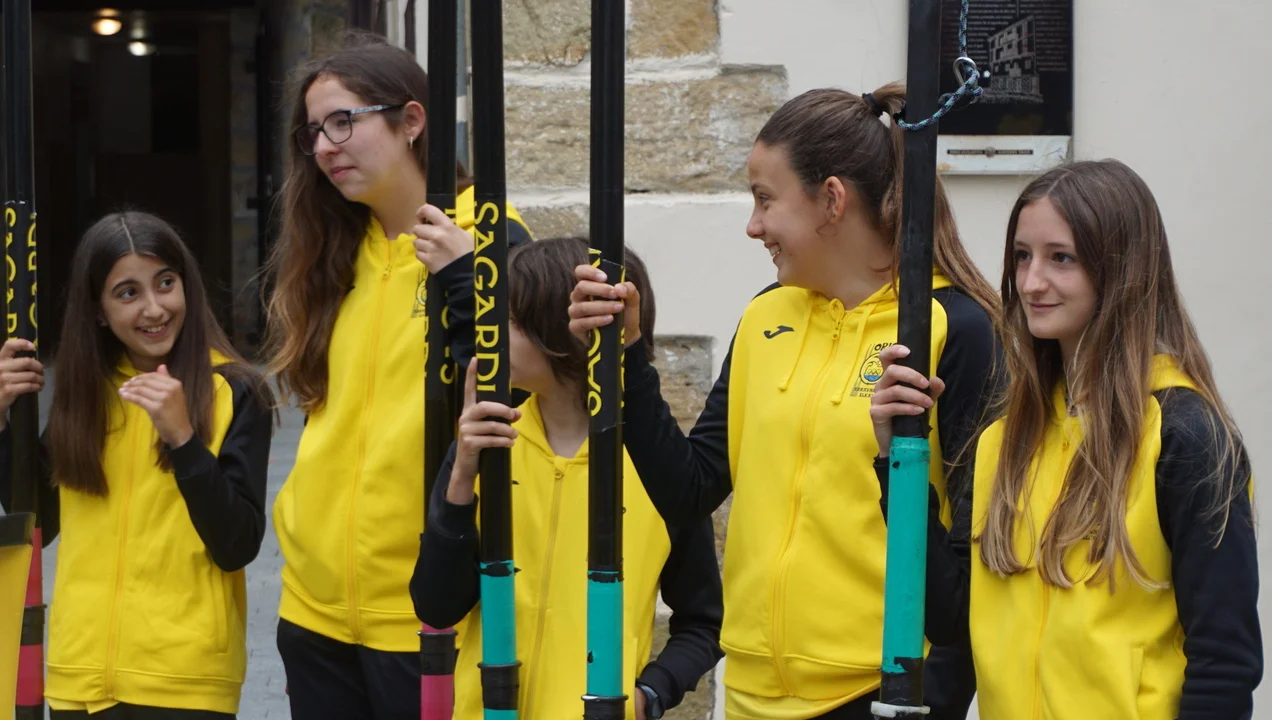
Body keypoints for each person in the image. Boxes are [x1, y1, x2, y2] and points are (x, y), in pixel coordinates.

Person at [566, 86, 998, 719]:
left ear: (832, 200)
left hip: (879, 692)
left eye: (765, 199)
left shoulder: (952, 328)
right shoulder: (766, 315)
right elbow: (688, 490)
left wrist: (930, 698)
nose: (753, 226)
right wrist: (627, 354)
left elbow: (975, 563)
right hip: (750, 695)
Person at [870, 159, 1262, 718]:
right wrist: (898, 462)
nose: (1031, 282)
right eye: (1022, 256)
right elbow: (954, 621)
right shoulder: (1003, 437)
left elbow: (1224, 663)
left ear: (1121, 270)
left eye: (1061, 258)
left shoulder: (1187, 436)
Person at [263, 32, 533, 719]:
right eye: (313, 131)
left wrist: (465, 276)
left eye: (343, 121)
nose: (325, 146)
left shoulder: (490, 236)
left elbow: (519, 388)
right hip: (315, 608)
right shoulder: (331, 251)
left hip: (428, 608)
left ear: (412, 120)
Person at [411, 237, 724, 719]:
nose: (489, 336)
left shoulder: (660, 466)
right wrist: (461, 478)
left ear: (567, 332)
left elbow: (703, 623)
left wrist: (650, 694)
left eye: (509, 320)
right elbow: (436, 606)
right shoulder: (489, 444)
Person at [0, 211, 274, 719]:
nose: (154, 308)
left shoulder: (235, 390)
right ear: (99, 312)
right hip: (79, 676)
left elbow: (237, 544)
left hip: (184, 680)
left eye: (166, 283)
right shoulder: (85, 396)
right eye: (128, 293)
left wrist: (184, 440)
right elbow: (40, 520)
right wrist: (2, 426)